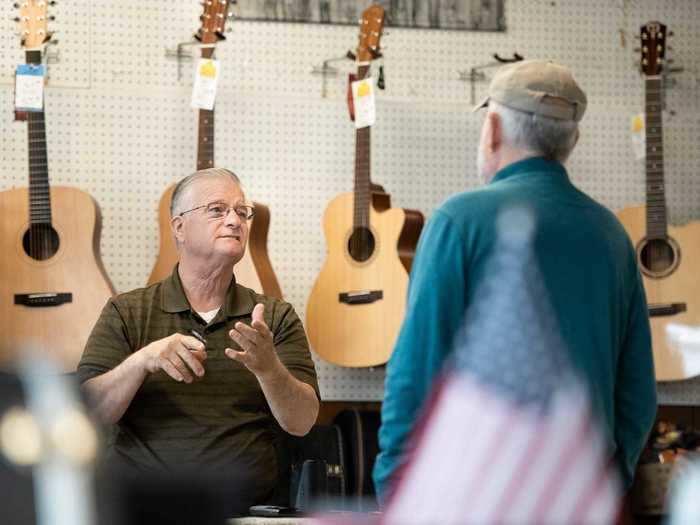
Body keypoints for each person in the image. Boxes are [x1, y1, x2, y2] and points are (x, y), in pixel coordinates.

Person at [373, 60, 657, 501]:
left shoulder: (460, 220)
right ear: (572, 140)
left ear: (492, 129)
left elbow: (415, 374)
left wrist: (396, 490)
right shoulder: (611, 234)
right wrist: (606, 485)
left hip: (475, 499)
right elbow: (637, 394)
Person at [78, 168, 320, 505]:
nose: (235, 221)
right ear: (179, 227)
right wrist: (142, 361)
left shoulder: (274, 316)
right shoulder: (126, 311)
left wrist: (269, 369)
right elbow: (86, 413)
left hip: (246, 511)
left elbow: (302, 422)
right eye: (217, 210)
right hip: (143, 511)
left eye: (241, 211)